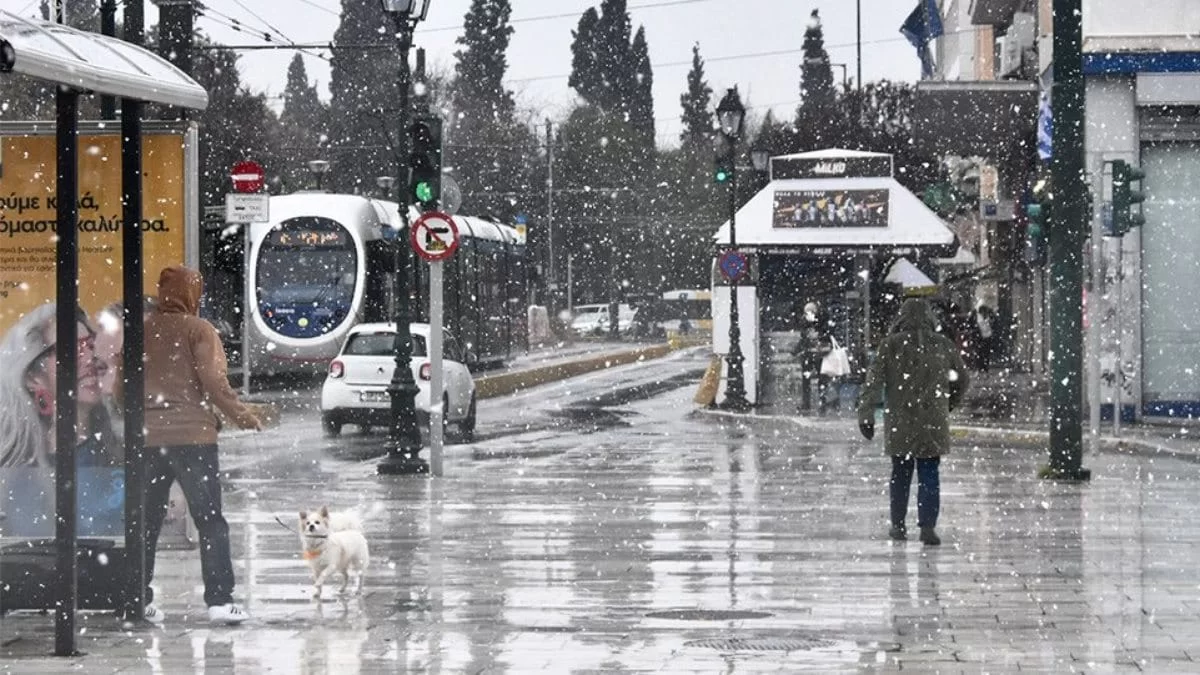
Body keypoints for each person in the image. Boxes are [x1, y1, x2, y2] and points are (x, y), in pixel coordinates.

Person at [140, 266, 262, 625]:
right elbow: (214, 382)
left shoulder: (141, 331)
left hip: (147, 438)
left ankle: (137, 598)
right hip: (194, 438)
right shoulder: (199, 330)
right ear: (192, 294)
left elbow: (120, 385)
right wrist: (243, 416)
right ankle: (220, 601)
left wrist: (142, 416)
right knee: (210, 520)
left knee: (145, 521)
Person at [0, 303, 123, 535]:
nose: (90, 359)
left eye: (91, 345)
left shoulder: (123, 449)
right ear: (33, 377)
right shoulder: (13, 472)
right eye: (71, 349)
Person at [857, 298, 969, 546]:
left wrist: (866, 415)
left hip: (901, 420)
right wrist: (948, 403)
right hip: (932, 420)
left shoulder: (890, 345)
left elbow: (873, 383)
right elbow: (962, 379)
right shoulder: (942, 344)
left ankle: (898, 525)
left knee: (900, 472)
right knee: (929, 472)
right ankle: (928, 527)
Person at [791, 301, 833, 413]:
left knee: (817, 379)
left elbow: (825, 336)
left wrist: (818, 337)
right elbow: (804, 339)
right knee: (814, 380)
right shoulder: (810, 324)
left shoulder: (820, 323)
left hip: (816, 354)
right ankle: (814, 403)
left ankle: (817, 403)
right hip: (812, 354)